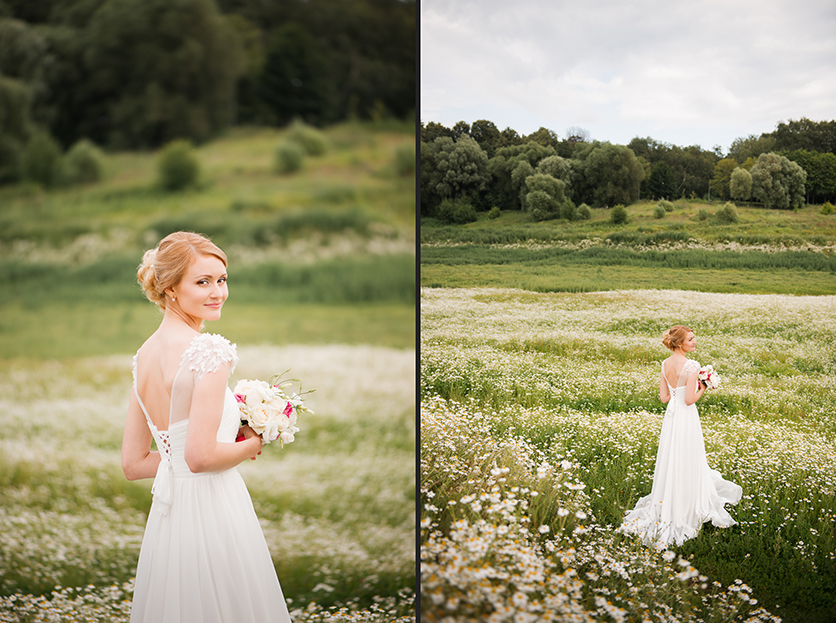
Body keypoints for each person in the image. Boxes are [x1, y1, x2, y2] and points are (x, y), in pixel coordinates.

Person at [122, 231, 291, 623]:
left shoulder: (143, 356)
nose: (218, 292)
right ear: (169, 288)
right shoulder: (210, 351)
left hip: (172, 515)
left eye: (222, 279)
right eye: (203, 282)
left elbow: (135, 463)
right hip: (214, 508)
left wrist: (184, 460)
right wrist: (255, 441)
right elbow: (200, 458)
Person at [619, 325, 742, 548]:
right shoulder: (691, 365)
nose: (694, 342)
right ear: (679, 343)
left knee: (672, 456)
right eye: (691, 340)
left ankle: (669, 498)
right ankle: (688, 502)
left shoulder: (665, 364)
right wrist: (704, 386)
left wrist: (688, 389)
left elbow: (665, 398)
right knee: (689, 456)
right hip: (686, 416)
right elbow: (689, 400)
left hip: (671, 418)